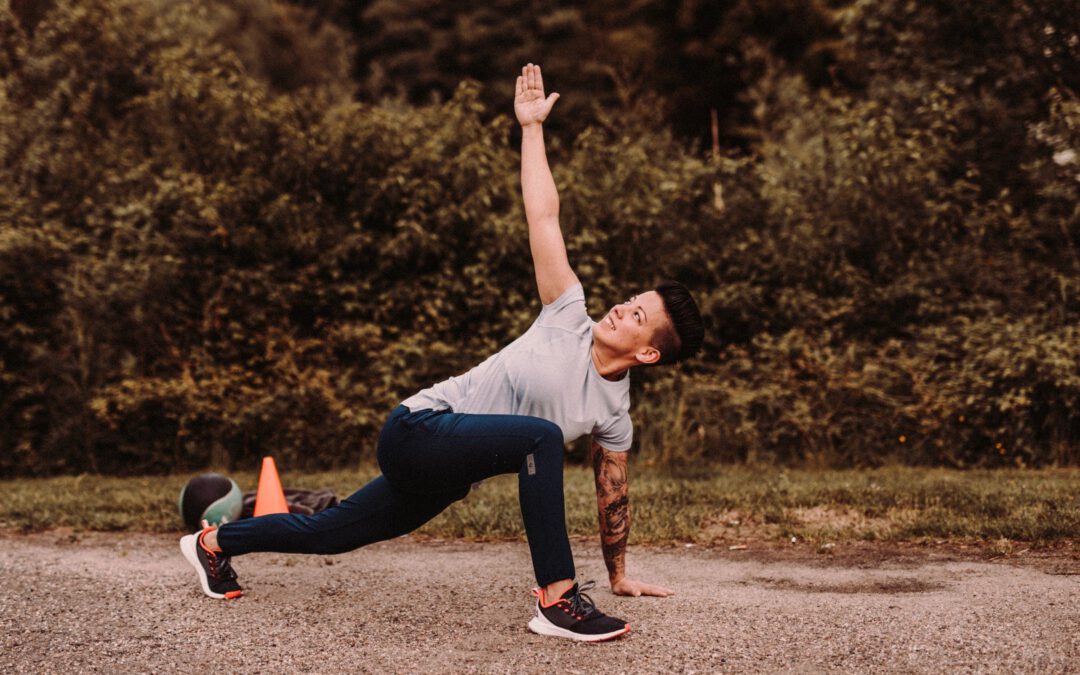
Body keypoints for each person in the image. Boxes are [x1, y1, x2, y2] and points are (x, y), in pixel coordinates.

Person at [180, 63, 704, 642]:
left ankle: (212, 543)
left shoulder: (615, 415)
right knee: (542, 436)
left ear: (650, 354)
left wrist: (621, 575)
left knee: (336, 531)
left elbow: (614, 494)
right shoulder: (566, 314)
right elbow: (544, 214)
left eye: (637, 315)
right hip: (417, 430)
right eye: (630, 299)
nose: (621, 308)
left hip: (447, 473)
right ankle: (557, 600)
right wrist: (531, 129)